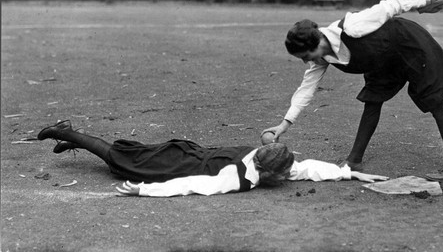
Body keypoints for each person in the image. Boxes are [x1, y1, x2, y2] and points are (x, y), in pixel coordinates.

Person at [262, 0, 443, 182]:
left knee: (434, 101)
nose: (307, 61)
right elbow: (306, 89)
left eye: (306, 55)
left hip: (409, 45)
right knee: (372, 101)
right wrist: (284, 124)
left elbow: (389, 6)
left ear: (318, 43)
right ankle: (354, 161)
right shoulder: (321, 57)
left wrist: (423, 0)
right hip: (383, 59)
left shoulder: (352, 27)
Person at [37, 120, 389, 197]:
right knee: (119, 160)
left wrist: (350, 174)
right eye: (283, 176)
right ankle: (68, 133)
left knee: (125, 153)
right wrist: (143, 191)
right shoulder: (236, 178)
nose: (288, 178)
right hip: (181, 164)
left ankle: (73, 138)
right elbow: (191, 184)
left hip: (187, 152)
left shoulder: (266, 158)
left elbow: (309, 167)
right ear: (268, 172)